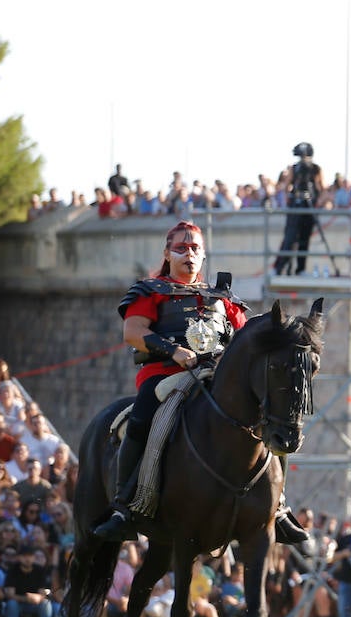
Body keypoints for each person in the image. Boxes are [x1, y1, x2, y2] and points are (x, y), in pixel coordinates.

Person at [92, 221, 308, 545]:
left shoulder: (222, 297)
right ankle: (124, 508)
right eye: (180, 247)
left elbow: (245, 337)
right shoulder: (150, 291)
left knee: (272, 419)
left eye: (195, 248)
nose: (188, 254)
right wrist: (174, 350)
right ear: (167, 253)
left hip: (216, 378)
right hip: (165, 376)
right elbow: (133, 332)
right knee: (142, 419)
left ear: (203, 255)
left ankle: (277, 507)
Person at [273, 142, 325, 276]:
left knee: (304, 238)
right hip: (296, 205)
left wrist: (319, 201)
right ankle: (280, 268)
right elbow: (286, 186)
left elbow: (321, 187)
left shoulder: (316, 169)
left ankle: (300, 269)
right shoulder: (294, 168)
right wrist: (288, 201)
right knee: (290, 238)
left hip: (309, 206)